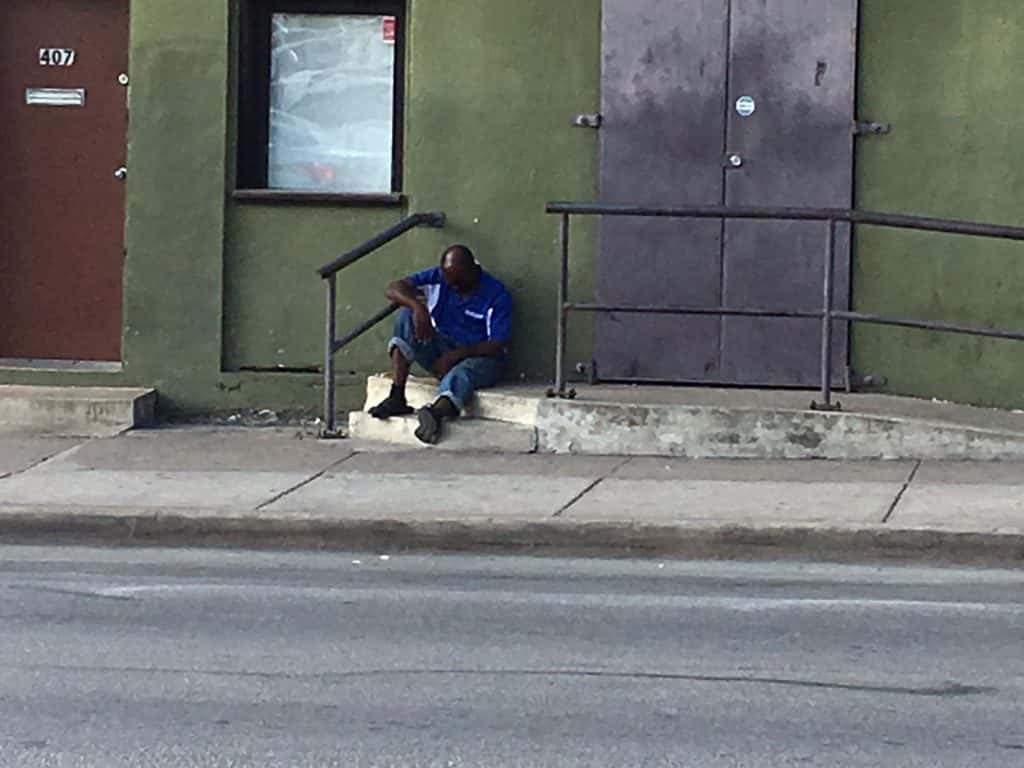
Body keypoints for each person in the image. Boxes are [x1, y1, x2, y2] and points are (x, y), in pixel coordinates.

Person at [369, 244, 512, 444]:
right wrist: (417, 307)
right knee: (406, 316)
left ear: (473, 271)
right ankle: (397, 396)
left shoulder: (496, 294)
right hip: (442, 350)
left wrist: (456, 355)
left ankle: (436, 413)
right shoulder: (441, 277)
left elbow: (497, 344)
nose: (452, 286)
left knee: (462, 373)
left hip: (481, 358)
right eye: (449, 281)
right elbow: (394, 288)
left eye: (458, 282)